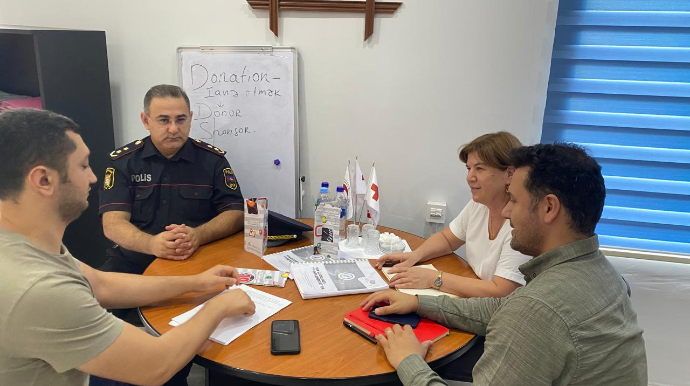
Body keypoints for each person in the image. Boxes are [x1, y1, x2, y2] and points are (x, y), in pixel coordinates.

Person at [0, 109, 256, 386]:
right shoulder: (38, 289)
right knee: (178, 363)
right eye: (83, 166)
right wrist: (218, 307)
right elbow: (156, 366)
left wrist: (197, 282)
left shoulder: (24, 242)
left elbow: (102, 285)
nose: (93, 178)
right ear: (44, 180)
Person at [362, 143, 648, 386]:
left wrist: (409, 362)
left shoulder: (537, 310)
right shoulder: (600, 271)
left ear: (549, 208)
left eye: (514, 200)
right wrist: (418, 302)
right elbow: (502, 308)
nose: (507, 211)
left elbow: (523, 312)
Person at [99, 84, 244, 276]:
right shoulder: (124, 163)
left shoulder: (213, 161)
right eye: (164, 120)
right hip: (136, 262)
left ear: (190, 118)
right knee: (96, 296)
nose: (174, 128)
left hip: (197, 259)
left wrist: (198, 235)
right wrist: (151, 244)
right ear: (145, 120)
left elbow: (236, 213)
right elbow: (112, 223)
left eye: (181, 119)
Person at [375, 132, 530, 299]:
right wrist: (414, 256)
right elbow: (447, 239)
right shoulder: (478, 205)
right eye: (469, 169)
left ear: (509, 174)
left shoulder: (523, 223)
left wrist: (433, 278)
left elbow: (501, 291)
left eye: (479, 168)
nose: (469, 177)